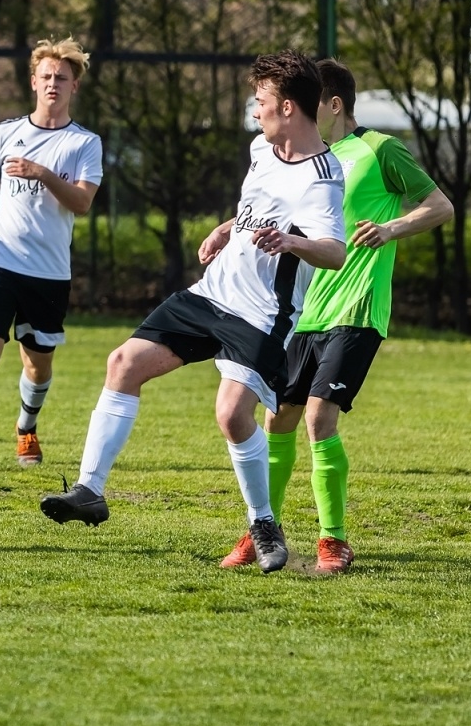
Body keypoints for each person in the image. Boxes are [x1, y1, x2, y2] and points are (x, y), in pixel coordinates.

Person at [40, 50, 347, 573]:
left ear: (290, 108)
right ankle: (90, 489)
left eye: (262, 103)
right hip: (212, 294)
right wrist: (229, 229)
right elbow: (254, 208)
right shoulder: (261, 149)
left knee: (231, 415)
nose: (256, 112)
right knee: (123, 363)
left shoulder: (321, 176)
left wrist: (293, 242)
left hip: (263, 314)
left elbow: (334, 252)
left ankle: (263, 522)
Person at [219, 59, 453, 573]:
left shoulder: (379, 151)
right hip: (301, 309)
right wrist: (225, 228)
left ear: (333, 104)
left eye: (309, 104)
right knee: (275, 416)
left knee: (317, 417)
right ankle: (263, 530)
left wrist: (392, 228)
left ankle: (334, 541)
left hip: (357, 305)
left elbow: (441, 206)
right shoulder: (302, 159)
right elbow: (266, 208)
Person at [0, 36, 102, 472]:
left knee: (37, 363)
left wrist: (42, 173)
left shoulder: (85, 144)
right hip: (1, 261)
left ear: (74, 87)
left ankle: (26, 428)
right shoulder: (6, 132)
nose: (54, 84)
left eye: (63, 78)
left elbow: (81, 202)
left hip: (50, 272)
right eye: (47, 76)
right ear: (34, 81)